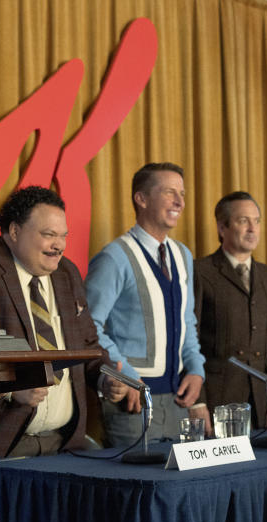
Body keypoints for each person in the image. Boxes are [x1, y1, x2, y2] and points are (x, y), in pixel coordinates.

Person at [0, 186, 129, 457]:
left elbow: (88, 345)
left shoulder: (67, 273)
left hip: (65, 443)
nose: (60, 245)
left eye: (63, 236)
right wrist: (10, 389)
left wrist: (106, 379)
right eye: (49, 235)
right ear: (15, 231)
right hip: (2, 443)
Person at [85, 162, 206, 445]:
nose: (180, 201)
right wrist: (126, 374)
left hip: (178, 401)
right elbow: (88, 327)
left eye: (182, 193)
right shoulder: (115, 257)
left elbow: (187, 321)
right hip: (132, 403)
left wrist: (196, 369)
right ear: (141, 199)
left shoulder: (182, 255)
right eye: (169, 193)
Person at [194, 191, 267, 430]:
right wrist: (198, 401)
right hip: (218, 401)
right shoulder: (200, 272)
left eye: (256, 221)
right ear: (222, 227)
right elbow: (189, 339)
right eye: (243, 221)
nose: (252, 229)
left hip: (262, 401)